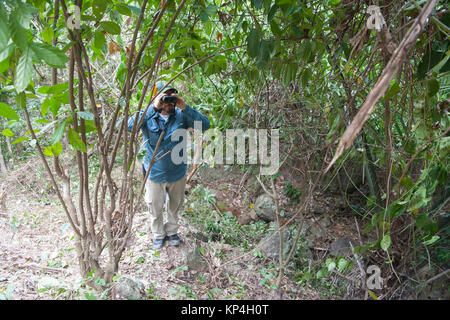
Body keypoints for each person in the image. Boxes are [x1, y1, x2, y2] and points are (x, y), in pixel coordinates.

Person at [127, 81, 210, 250]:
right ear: (156, 98)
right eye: (165, 97)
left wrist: (185, 108)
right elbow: (129, 126)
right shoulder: (147, 116)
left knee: (175, 205)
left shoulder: (181, 116)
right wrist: (153, 107)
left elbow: (205, 125)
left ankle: (172, 231)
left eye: (171, 97)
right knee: (155, 207)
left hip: (177, 172)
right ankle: (158, 234)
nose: (168, 102)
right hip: (155, 172)